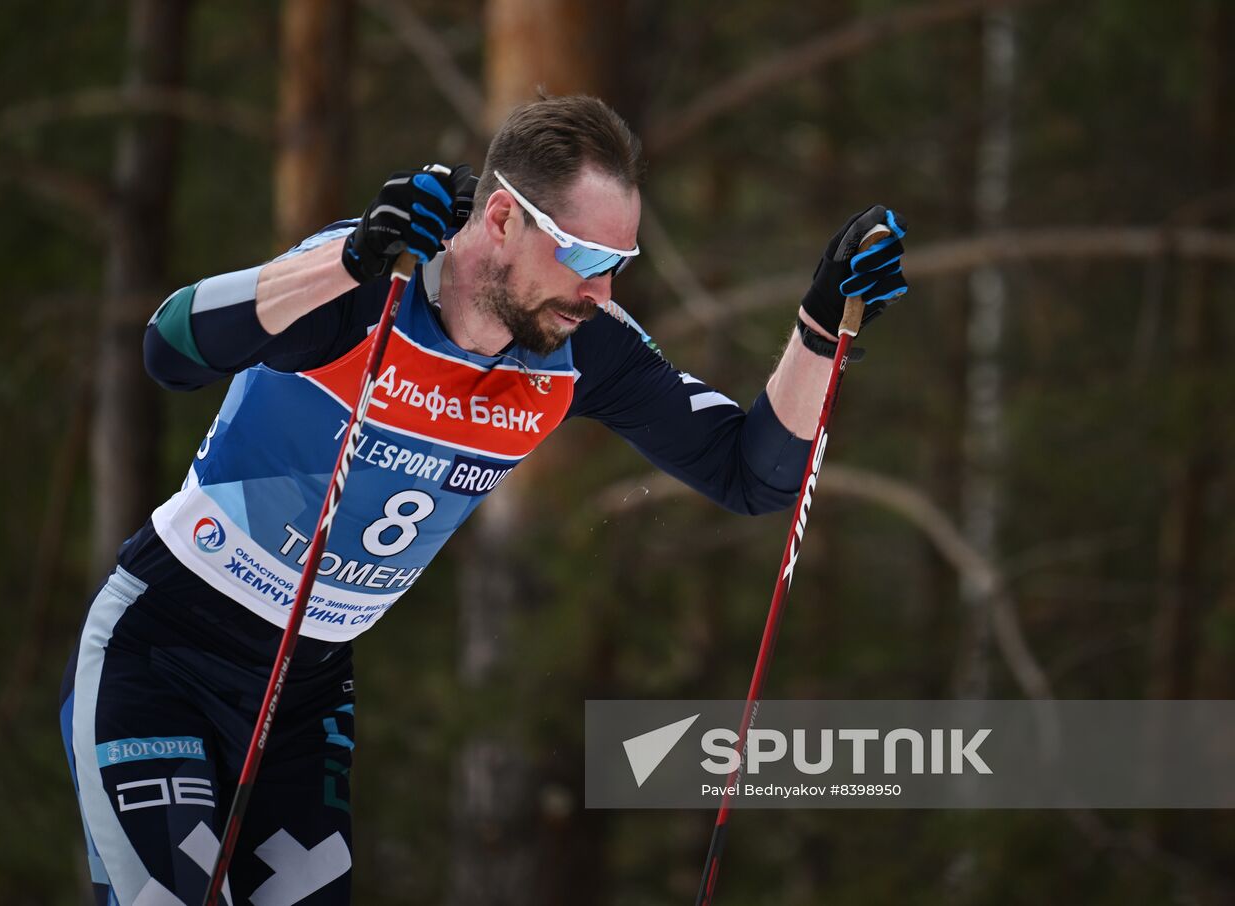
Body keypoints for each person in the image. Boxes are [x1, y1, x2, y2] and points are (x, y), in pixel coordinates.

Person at [59, 94, 908, 905]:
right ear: (501, 219)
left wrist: (820, 330)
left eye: (619, 266)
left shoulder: (583, 348)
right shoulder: (370, 284)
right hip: (162, 650)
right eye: (583, 257)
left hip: (304, 692)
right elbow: (170, 347)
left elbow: (751, 476)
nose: (601, 292)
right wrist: (347, 259)